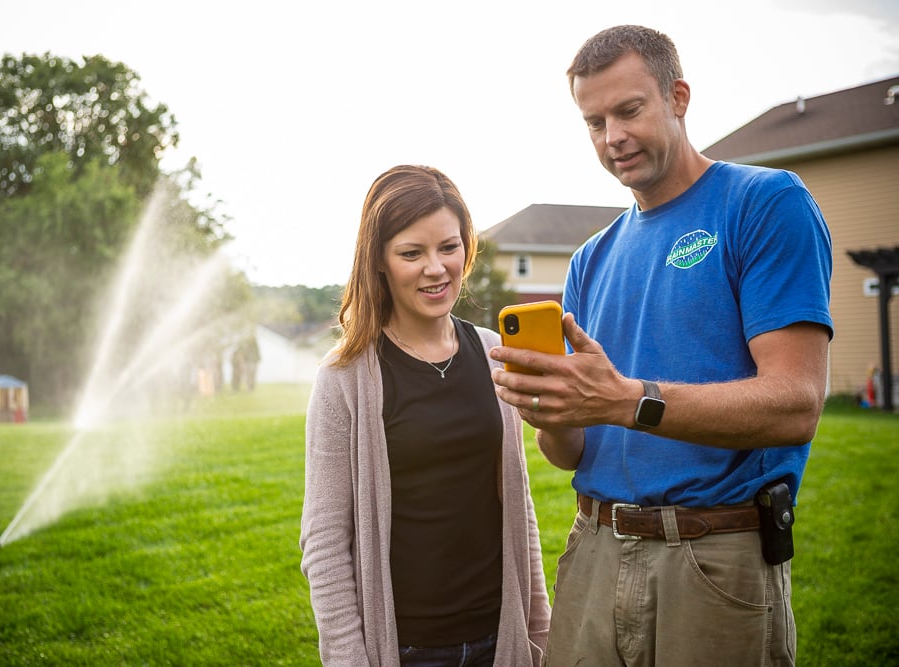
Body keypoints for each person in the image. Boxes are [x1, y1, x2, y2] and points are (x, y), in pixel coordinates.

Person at [489, 25, 833, 667]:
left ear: (678, 96)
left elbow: (796, 403)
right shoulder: (591, 257)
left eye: (629, 110)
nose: (612, 137)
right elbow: (568, 453)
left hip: (712, 559)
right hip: (592, 549)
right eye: (593, 122)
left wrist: (625, 400)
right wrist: (551, 412)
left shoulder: (763, 204)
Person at [300, 165, 550, 666]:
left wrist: (538, 623)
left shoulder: (496, 354)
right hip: (405, 648)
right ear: (379, 263)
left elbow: (517, 504)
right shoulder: (345, 377)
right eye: (412, 253)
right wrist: (349, 659)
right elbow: (324, 540)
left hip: (497, 637)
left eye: (449, 247)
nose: (436, 268)